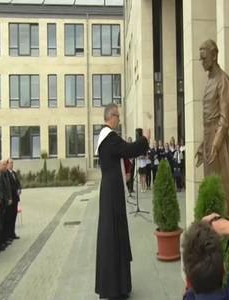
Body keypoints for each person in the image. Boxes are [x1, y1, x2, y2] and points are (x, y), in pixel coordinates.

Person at [94, 103, 150, 300]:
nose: (119, 119)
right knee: (113, 235)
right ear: (111, 116)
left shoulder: (105, 137)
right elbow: (130, 149)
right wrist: (144, 140)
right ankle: (113, 288)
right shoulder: (110, 137)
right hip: (111, 193)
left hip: (111, 189)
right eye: (117, 115)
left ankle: (119, 285)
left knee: (115, 235)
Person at [195, 39, 229, 221]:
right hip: (209, 140)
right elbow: (208, 120)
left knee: (224, 187)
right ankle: (214, 229)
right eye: (200, 59)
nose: (202, 62)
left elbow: (224, 118)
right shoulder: (209, 81)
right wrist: (203, 145)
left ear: (214, 56)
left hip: (218, 143)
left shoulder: (223, 80)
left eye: (204, 58)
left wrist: (215, 143)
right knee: (211, 187)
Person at [6, 158, 21, 240]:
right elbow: (9, 186)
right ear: (7, 164)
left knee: (14, 216)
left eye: (12, 163)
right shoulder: (6, 174)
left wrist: (19, 189)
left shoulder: (14, 173)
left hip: (16, 199)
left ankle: (13, 233)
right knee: (10, 217)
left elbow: (18, 183)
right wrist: (15, 190)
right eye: (10, 163)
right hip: (10, 198)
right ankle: (9, 234)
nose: (11, 164)